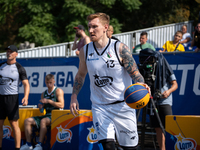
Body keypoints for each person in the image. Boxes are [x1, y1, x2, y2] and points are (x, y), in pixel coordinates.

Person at [70, 12, 150, 150]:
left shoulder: (120, 48)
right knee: (108, 146)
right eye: (89, 27)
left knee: (130, 148)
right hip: (100, 107)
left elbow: (135, 73)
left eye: (95, 26)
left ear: (105, 27)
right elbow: (81, 75)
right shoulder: (85, 51)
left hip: (123, 106)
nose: (90, 30)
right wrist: (73, 96)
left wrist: (142, 84)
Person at [139, 49, 178, 150]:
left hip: (165, 102)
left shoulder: (164, 67)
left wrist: (168, 92)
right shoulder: (146, 69)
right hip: (153, 102)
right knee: (157, 127)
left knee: (169, 127)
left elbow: (175, 84)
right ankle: (162, 148)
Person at [20, 74, 64, 150]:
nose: (49, 84)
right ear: (45, 82)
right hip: (47, 115)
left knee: (43, 121)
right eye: (47, 83)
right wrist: (41, 107)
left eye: (50, 82)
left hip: (56, 116)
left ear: (54, 81)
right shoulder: (43, 94)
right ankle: (28, 144)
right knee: (27, 121)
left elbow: (62, 105)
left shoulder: (58, 91)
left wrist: (49, 101)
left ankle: (39, 145)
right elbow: (42, 111)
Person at [0, 45, 30, 150]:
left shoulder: (19, 68)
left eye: (11, 52)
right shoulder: (1, 66)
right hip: (1, 98)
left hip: (12, 98)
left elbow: (26, 84)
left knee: (14, 124)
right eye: (7, 51)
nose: (9, 53)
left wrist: (26, 97)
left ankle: (17, 148)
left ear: (16, 54)